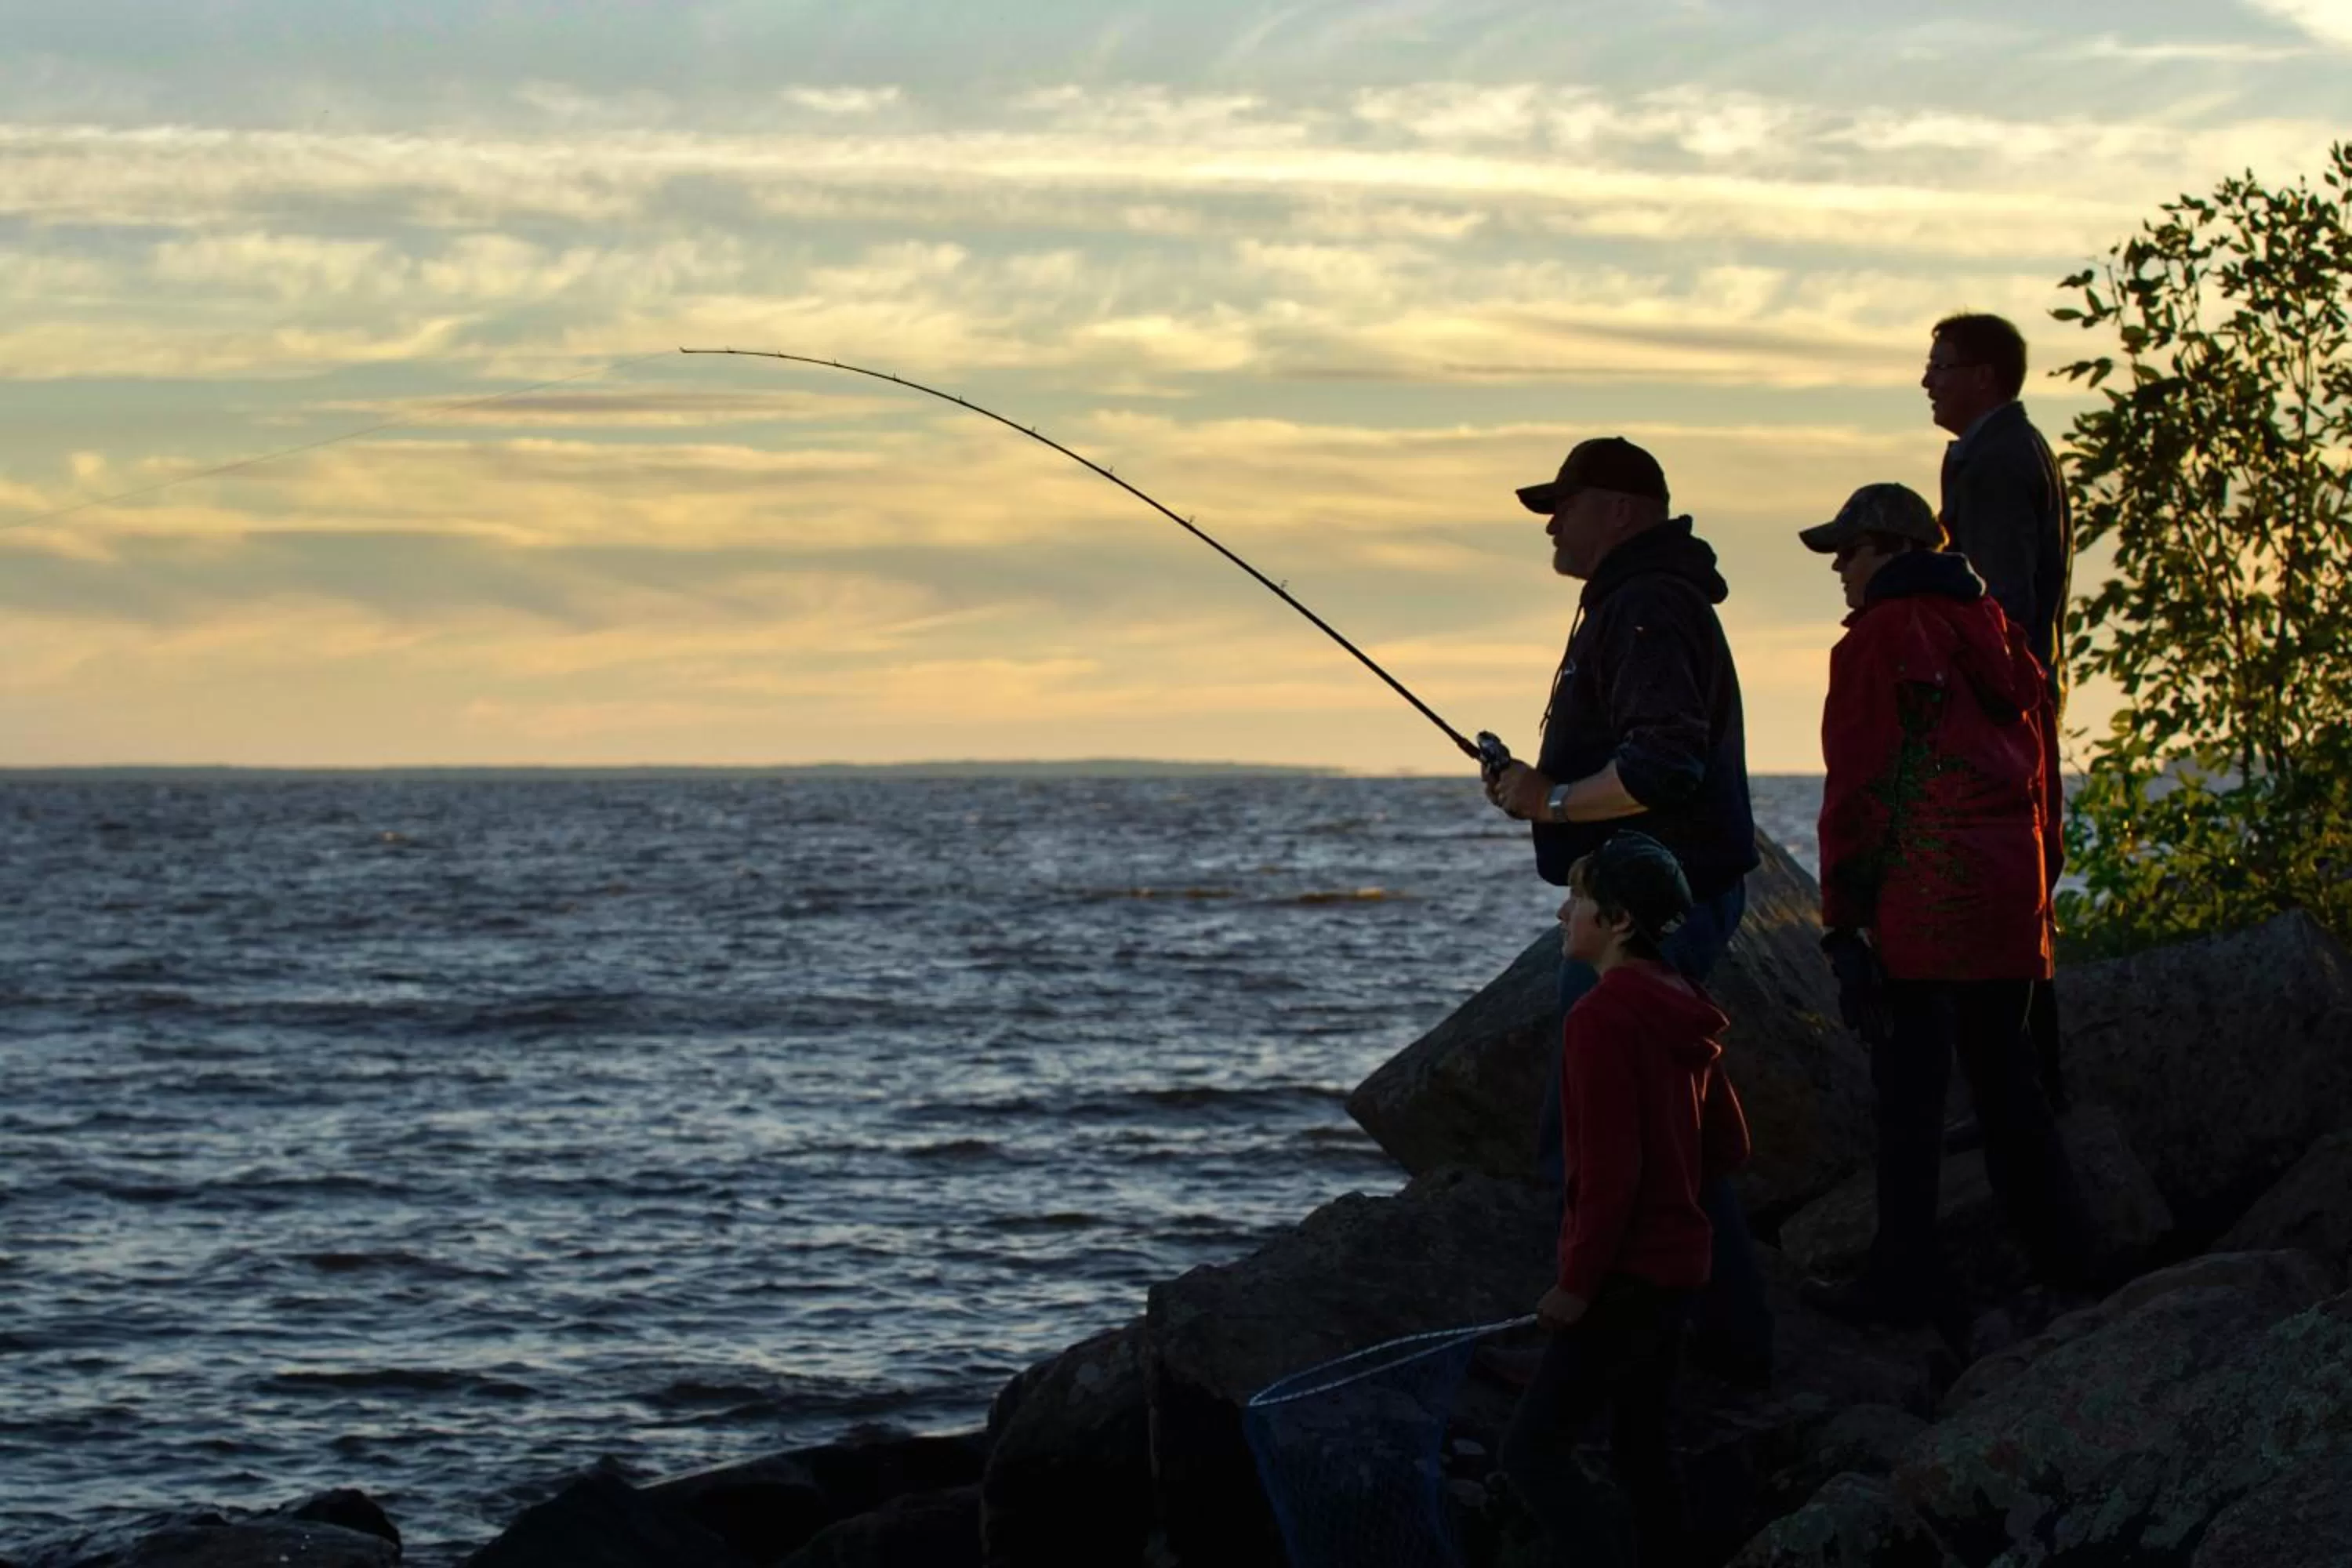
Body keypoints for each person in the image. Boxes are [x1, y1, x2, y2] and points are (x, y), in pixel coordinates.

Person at [1483, 435, 1772, 1384]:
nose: (1552, 524)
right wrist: (1533, 786)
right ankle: (1723, 1338)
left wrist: (1553, 802)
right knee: (1665, 1126)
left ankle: (1624, 1339)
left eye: (1563, 505)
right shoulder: (1635, 599)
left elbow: (1663, 763)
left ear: (1621, 508)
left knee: (1604, 1125)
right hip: (1650, 898)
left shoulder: (1644, 603)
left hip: (1652, 909)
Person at [1794, 481, 2092, 1332]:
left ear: (1889, 547)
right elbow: (2046, 781)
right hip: (2008, 895)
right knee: (2009, 1086)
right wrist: (2040, 884)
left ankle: (1902, 1277)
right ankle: (2070, 1258)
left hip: (1923, 901)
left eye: (1847, 552)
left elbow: (1861, 788)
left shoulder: (1880, 637)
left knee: (1909, 1098)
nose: (1840, 570)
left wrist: (1843, 919)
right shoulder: (2002, 632)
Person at [1499, 833, 1749, 1568]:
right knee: (1641, 1445)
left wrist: (1576, 1286)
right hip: (1679, 1271)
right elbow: (1729, 1146)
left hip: (1625, 1276)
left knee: (1532, 1452)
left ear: (1617, 923)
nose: (1563, 914)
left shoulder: (1599, 1018)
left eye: (1577, 901)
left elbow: (1607, 1174)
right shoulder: (1685, 1003)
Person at [1924, 312, 2073, 1116]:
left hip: (2003, 711)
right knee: (2021, 910)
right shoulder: (2013, 451)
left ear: (1984, 375)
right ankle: (2026, 1092)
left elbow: (2004, 602)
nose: (1927, 381)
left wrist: (1977, 704)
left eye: (1940, 365)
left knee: (2000, 910)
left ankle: (2020, 1099)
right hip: (2020, 699)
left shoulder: (1997, 460)